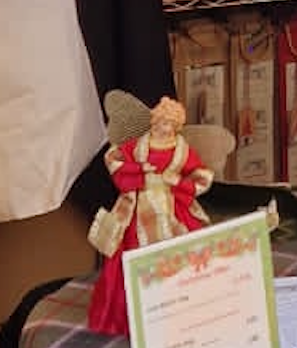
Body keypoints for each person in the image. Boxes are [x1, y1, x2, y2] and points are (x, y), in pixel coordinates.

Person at [85, 95, 214, 335]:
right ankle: (135, 317)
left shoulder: (181, 150)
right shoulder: (139, 144)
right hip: (139, 206)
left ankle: (182, 310)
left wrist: (176, 180)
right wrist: (138, 169)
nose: (161, 127)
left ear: (175, 126)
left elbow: (202, 176)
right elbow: (112, 158)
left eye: (167, 124)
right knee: (132, 253)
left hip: (171, 207)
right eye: (159, 121)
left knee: (184, 250)